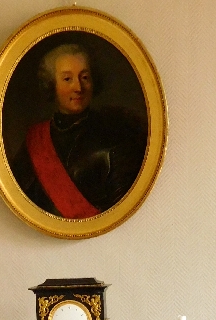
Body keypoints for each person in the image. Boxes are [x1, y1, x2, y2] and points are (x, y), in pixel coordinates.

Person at [9, 43, 147, 219]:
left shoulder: (116, 130)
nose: (78, 88)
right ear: (52, 85)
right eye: (67, 79)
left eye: (85, 77)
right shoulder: (37, 139)